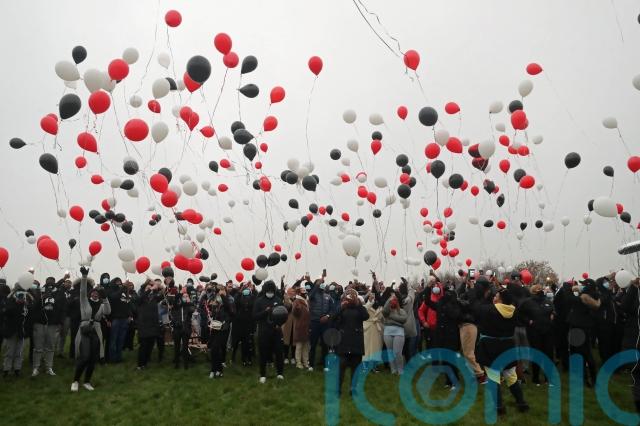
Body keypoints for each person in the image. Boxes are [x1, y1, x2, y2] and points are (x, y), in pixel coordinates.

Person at [473, 283, 529, 414]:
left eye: (496, 296)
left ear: (501, 299)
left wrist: (482, 293)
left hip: (490, 347)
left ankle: (499, 407)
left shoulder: (488, 310)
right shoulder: (514, 311)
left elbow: (476, 308)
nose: (494, 297)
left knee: (493, 377)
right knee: (511, 376)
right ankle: (521, 403)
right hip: (508, 346)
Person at [71, 267, 111, 392]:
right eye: (93, 292)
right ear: (90, 293)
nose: (95, 293)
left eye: (97, 293)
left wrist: (105, 298)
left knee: (93, 359)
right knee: (85, 356)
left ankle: (87, 381)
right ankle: (75, 381)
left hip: (96, 330)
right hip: (85, 329)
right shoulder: (84, 301)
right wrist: (84, 277)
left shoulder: (102, 304)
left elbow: (108, 311)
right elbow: (82, 291)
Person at [253, 280, 290, 383]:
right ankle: (262, 375)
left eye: (271, 290)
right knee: (263, 353)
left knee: (279, 352)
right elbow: (254, 316)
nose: (270, 292)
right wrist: (265, 311)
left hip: (276, 331)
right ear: (265, 290)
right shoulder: (259, 301)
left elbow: (284, 315)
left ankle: (280, 373)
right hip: (264, 331)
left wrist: (280, 325)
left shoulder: (278, 300)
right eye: (268, 290)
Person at [335, 288, 369, 396]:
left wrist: (358, 304)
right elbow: (333, 319)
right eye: (349, 295)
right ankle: (338, 389)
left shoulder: (360, 308)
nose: (350, 297)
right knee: (341, 368)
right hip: (344, 342)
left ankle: (352, 389)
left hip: (356, 342)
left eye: (353, 295)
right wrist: (341, 308)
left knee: (355, 368)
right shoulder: (342, 307)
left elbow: (366, 316)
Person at [567, 278, 600, 387]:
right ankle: (592, 379)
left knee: (580, 354)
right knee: (587, 353)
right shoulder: (594, 297)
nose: (581, 286)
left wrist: (570, 288)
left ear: (587, 287)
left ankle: (585, 379)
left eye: (583, 285)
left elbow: (568, 297)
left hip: (578, 329)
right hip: (585, 328)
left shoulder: (583, 298)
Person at [31, 276, 66, 376]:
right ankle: (36, 368)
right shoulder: (40, 292)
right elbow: (33, 307)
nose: (50, 284)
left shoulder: (59, 293)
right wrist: (41, 298)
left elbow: (62, 309)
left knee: (50, 346)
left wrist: (60, 322)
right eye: (48, 282)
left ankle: (49, 367)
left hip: (52, 323)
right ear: (45, 283)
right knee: (38, 347)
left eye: (52, 282)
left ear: (55, 283)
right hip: (40, 323)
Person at [520, 284, 555, 385]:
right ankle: (535, 378)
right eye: (537, 289)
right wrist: (528, 321)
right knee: (536, 354)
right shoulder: (527, 302)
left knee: (549, 354)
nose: (540, 290)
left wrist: (553, 315)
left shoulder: (547, 301)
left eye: (540, 288)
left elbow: (553, 310)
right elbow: (520, 314)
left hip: (548, 331)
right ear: (533, 291)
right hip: (534, 332)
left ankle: (548, 378)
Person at [2, 283, 32, 377]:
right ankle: (6, 369)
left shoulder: (26, 302)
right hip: (11, 330)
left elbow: (31, 309)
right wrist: (16, 302)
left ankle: (17, 369)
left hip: (21, 330)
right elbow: (6, 311)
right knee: (9, 352)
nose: (21, 295)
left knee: (19, 352)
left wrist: (26, 301)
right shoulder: (10, 300)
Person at [207, 285, 235, 378]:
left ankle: (215, 370)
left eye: (222, 291)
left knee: (216, 348)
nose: (220, 292)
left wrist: (223, 296)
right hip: (215, 328)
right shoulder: (216, 302)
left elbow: (231, 312)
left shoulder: (229, 301)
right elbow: (212, 313)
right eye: (219, 291)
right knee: (214, 350)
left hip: (223, 329)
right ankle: (217, 369)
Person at [308, 272, 334, 370]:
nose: (322, 284)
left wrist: (327, 316)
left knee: (325, 345)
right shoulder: (313, 295)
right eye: (320, 283)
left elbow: (332, 309)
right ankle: (311, 364)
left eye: (323, 283)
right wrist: (318, 282)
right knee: (313, 344)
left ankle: (325, 365)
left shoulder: (328, 296)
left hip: (325, 324)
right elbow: (310, 295)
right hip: (314, 322)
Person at [136, 279, 162, 370]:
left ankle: (145, 363)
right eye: (147, 288)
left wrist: (157, 285)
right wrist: (150, 289)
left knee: (150, 345)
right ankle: (140, 364)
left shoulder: (154, 297)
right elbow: (139, 299)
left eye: (150, 288)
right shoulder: (141, 298)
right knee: (143, 346)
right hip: (143, 325)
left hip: (153, 325)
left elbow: (163, 293)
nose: (149, 289)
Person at [168, 286, 194, 369]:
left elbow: (192, 310)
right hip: (177, 327)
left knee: (185, 346)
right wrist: (180, 293)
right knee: (177, 346)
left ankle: (186, 365)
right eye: (184, 296)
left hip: (186, 328)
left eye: (187, 296)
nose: (185, 297)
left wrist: (189, 302)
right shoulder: (177, 305)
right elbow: (175, 301)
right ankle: (176, 363)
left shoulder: (189, 305)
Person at [382, 289, 408, 375]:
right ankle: (393, 370)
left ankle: (400, 370)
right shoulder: (387, 311)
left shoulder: (401, 311)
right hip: (388, 332)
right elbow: (384, 311)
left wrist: (392, 317)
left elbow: (403, 319)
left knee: (397, 352)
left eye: (395, 300)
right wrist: (389, 299)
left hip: (399, 332)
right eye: (392, 301)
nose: (393, 302)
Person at [107, 277, 131, 363]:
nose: (119, 283)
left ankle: (119, 357)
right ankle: (112, 358)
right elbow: (114, 297)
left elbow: (127, 304)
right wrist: (123, 287)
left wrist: (129, 315)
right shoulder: (111, 291)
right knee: (113, 340)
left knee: (121, 340)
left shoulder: (123, 292)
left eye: (120, 281)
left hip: (124, 319)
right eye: (117, 282)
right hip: (115, 319)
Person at [232, 284, 256, 366]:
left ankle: (247, 359)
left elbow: (254, 299)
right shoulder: (239, 300)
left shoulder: (252, 299)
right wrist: (240, 290)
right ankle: (234, 357)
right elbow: (235, 300)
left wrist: (252, 290)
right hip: (239, 325)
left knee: (247, 343)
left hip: (248, 325)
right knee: (236, 342)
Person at [363, 291, 384, 371]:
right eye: (372, 297)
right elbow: (365, 309)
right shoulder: (365, 306)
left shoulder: (380, 307)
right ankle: (365, 365)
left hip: (377, 328)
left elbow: (382, 318)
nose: (373, 298)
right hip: (368, 328)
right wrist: (370, 301)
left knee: (377, 348)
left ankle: (374, 366)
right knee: (367, 348)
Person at [292, 286, 311, 369]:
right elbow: (294, 313)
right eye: (303, 291)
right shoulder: (297, 301)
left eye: (305, 291)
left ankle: (305, 362)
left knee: (306, 346)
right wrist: (297, 309)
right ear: (299, 293)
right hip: (300, 326)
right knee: (299, 346)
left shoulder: (306, 301)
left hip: (307, 326)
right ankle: (298, 362)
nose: (305, 293)